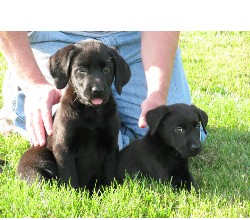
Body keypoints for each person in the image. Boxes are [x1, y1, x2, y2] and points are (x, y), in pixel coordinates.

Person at [0, 31, 204, 150]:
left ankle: (114, 125)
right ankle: (18, 94)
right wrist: (33, 84)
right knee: (63, 137)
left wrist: (157, 93)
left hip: (135, 38)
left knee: (179, 134)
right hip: (54, 38)